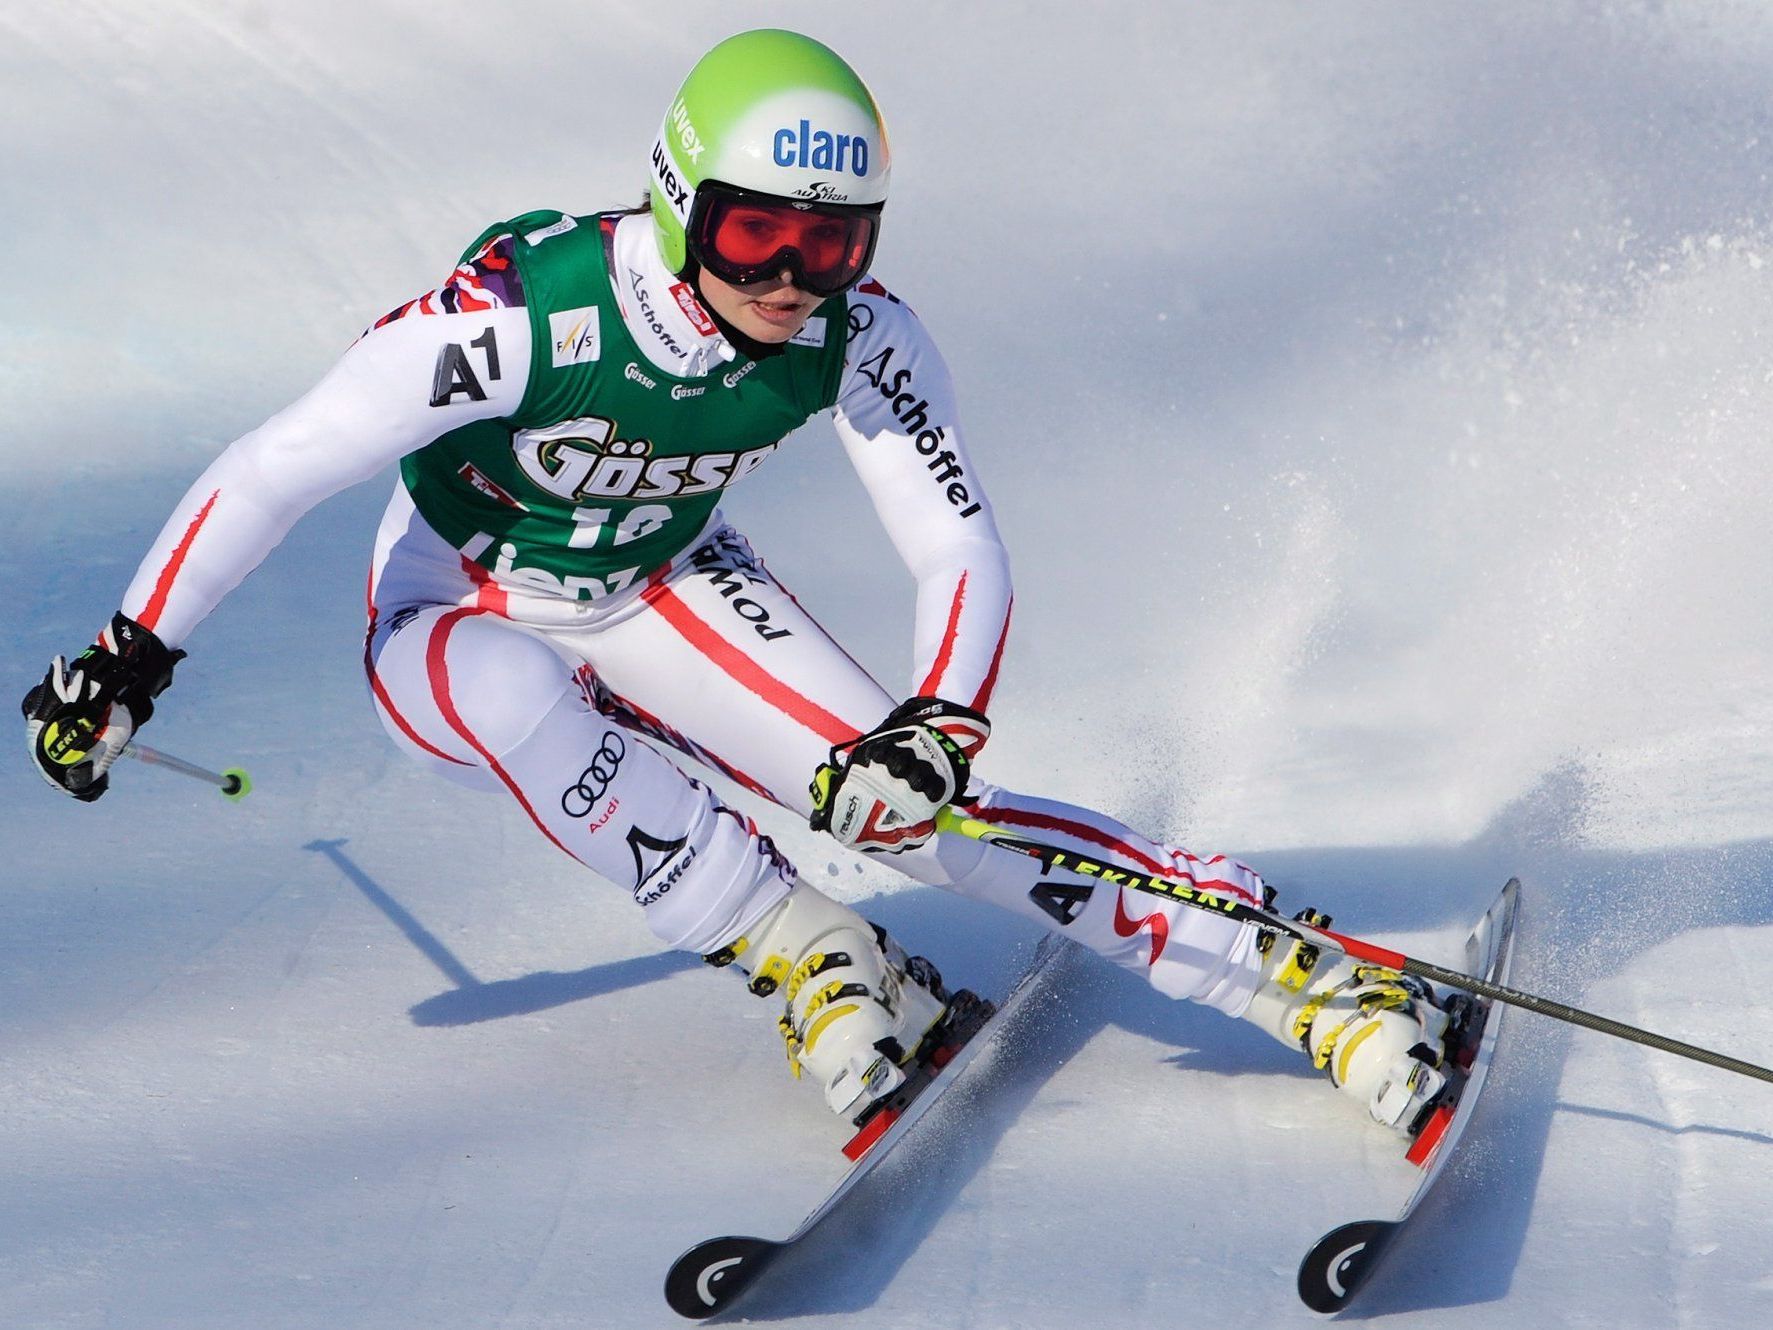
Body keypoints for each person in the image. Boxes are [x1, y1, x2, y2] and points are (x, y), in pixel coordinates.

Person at [22, 29, 1450, 1133]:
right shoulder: (527, 318)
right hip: (457, 599)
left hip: (663, 579)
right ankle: (802, 945)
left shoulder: (853, 335)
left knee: (916, 818)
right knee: (502, 689)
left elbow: (954, 536)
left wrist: (936, 724)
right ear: (680, 198)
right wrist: (131, 653)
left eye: (833, 241)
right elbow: (278, 464)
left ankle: (1300, 972)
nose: (793, 275)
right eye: (757, 230)